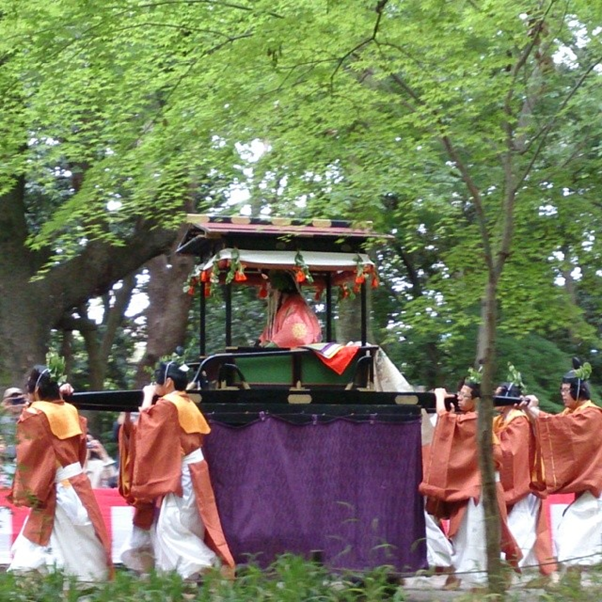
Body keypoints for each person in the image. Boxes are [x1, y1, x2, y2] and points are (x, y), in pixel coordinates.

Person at [119, 359, 235, 579]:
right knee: (182, 525)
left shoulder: (169, 404)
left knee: (172, 527)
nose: (155, 385)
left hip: (186, 473)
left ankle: (208, 565)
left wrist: (147, 395)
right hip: (193, 470)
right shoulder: (184, 402)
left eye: (157, 381)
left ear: (169, 382)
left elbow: (146, 425)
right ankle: (187, 577)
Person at [8, 359, 112, 580]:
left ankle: (65, 581)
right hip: (76, 482)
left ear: (36, 389)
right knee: (77, 539)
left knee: (48, 541)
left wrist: (28, 489)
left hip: (55, 486)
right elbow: (80, 449)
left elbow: (29, 451)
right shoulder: (70, 410)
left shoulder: (35, 414)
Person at [419, 375, 521, 589]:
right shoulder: (473, 418)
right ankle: (462, 576)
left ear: (476, 400)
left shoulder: (476, 420)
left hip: (482, 487)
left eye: (465, 395)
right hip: (473, 485)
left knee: (476, 534)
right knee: (464, 533)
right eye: (460, 393)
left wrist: (439, 398)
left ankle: (479, 582)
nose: (459, 398)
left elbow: (446, 421)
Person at [521, 358, 602, 576]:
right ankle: (573, 582)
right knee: (573, 536)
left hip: (597, 488)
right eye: (562, 390)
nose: (562, 394)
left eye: (566, 390)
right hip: (589, 489)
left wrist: (535, 411)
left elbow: (559, 428)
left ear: (579, 390)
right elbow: (552, 429)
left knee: (573, 536)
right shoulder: (572, 414)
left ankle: (573, 582)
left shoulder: (592, 414)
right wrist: (530, 411)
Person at [493, 377, 557, 581]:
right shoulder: (500, 420)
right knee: (530, 530)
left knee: (520, 527)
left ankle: (507, 572)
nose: (494, 398)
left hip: (523, 484)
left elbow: (511, 453)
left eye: (498, 395)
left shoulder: (518, 420)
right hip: (517, 483)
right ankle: (539, 576)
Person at [259, 271, 322, 348]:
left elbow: (295, 334)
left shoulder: (296, 305)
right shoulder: (286, 306)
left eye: (272, 292)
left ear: (279, 290)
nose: (270, 295)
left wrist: (272, 345)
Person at [0, 387, 27, 487]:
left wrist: (28, 405)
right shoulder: (2, 418)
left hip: (26, 461)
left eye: (19, 399)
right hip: (7, 462)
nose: (16, 403)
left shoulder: (29, 415)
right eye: (12, 400)